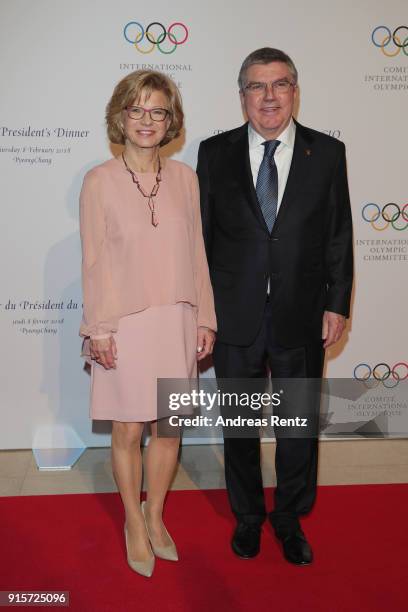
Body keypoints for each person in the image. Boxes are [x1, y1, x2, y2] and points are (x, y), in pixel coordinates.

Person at [197, 48, 353, 565]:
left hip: (301, 312)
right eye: (257, 87)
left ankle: (288, 517)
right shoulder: (212, 153)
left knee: (298, 426)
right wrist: (201, 310)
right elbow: (201, 240)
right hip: (234, 314)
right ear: (241, 95)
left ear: (295, 91)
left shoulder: (327, 154)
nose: (269, 97)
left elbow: (338, 236)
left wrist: (337, 303)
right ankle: (247, 517)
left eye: (279, 84)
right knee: (239, 424)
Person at [79, 70, 216, 577]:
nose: (146, 120)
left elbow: (197, 252)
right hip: (125, 324)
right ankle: (131, 523)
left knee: (169, 424)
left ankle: (154, 515)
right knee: (128, 426)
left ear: (170, 120)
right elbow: (93, 261)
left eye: (157, 111)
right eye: (136, 110)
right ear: (120, 116)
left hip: (178, 318)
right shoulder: (99, 181)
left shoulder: (185, 178)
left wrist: (206, 316)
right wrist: (99, 329)